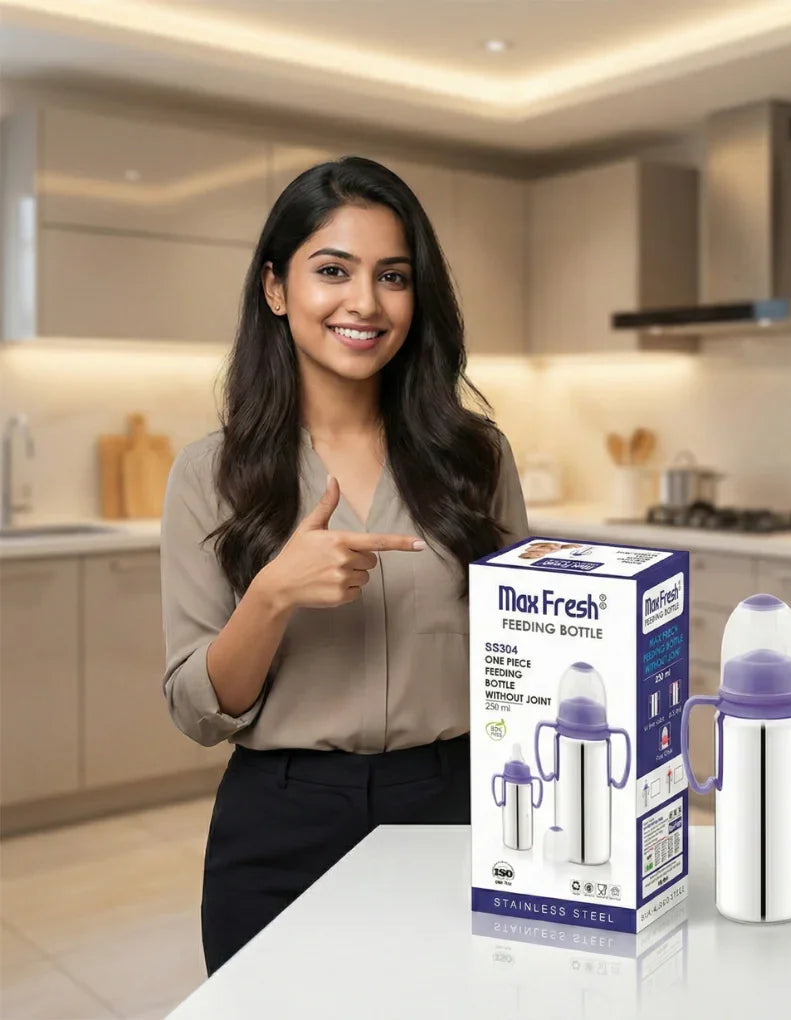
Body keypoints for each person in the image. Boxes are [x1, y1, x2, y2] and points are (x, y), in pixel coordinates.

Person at [159, 156, 528, 975]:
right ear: (275, 288)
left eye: (392, 276)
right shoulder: (209, 474)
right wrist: (272, 595)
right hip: (282, 824)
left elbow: (520, 659)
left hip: (455, 812)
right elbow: (196, 710)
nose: (365, 302)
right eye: (333, 270)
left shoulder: (477, 459)